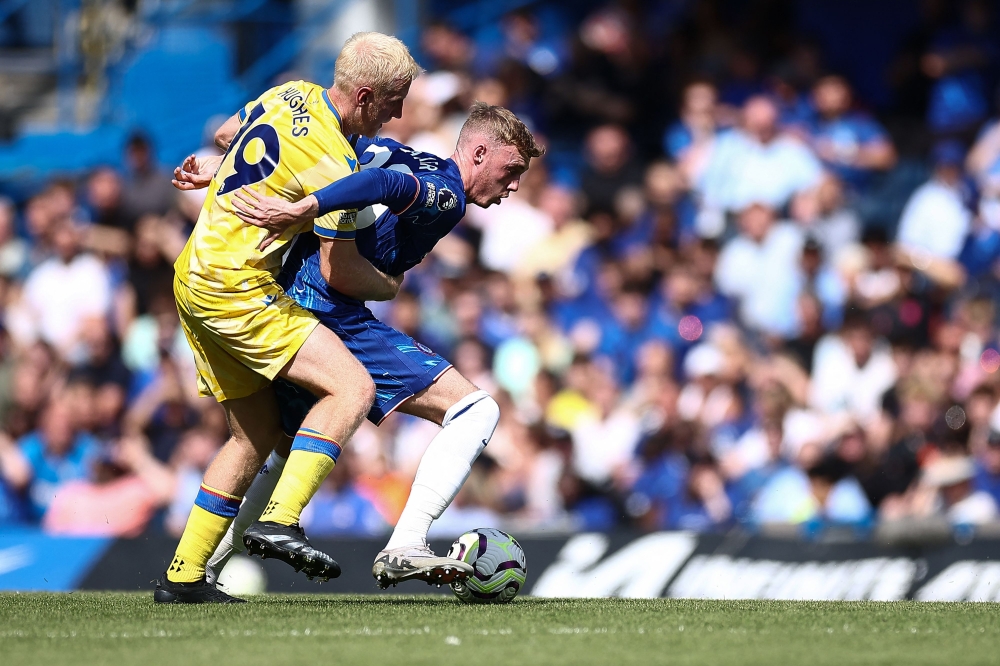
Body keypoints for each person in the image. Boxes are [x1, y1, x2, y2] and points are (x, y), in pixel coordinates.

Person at [196, 102, 544, 589]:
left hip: (291, 298)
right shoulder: (446, 194)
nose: (513, 186)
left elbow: (330, 150)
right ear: (480, 152)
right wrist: (306, 208)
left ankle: (200, 570)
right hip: (330, 307)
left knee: (282, 444)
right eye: (511, 171)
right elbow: (384, 187)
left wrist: (231, 163)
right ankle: (406, 543)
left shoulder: (401, 152)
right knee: (475, 410)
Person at [154, 31, 420, 604]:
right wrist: (391, 285)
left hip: (193, 275)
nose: (399, 113)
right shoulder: (337, 165)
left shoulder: (289, 93)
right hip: (236, 286)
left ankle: (183, 576)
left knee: (254, 434)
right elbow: (338, 270)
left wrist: (225, 177)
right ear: (368, 95)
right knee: (351, 388)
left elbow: (227, 136)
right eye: (395, 100)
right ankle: (279, 519)